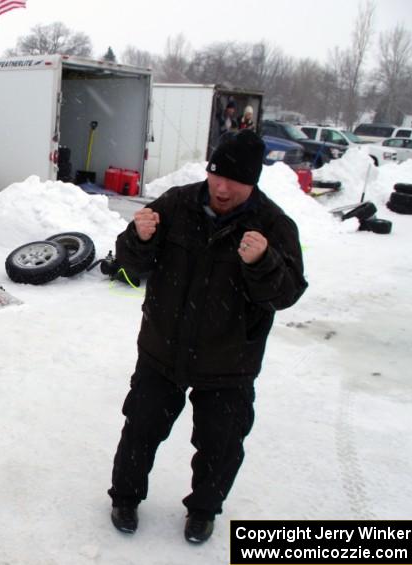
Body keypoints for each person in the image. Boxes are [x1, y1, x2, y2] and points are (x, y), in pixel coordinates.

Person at [107, 130, 307, 544]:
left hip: (229, 362)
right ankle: (124, 499)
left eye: (234, 180)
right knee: (140, 428)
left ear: (252, 182)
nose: (221, 186)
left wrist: (263, 262)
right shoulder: (176, 204)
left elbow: (286, 295)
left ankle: (202, 511)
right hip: (163, 348)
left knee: (221, 445)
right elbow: (128, 269)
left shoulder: (272, 225)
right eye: (217, 174)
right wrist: (136, 239)